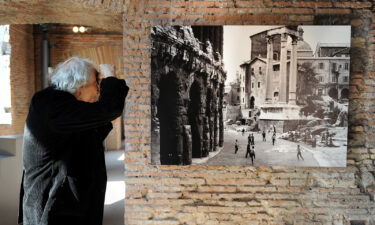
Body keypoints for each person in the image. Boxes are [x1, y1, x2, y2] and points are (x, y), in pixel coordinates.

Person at [18, 57, 129, 225]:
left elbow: (90, 136)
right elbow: (110, 109)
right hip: (53, 205)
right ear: (80, 85)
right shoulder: (50, 103)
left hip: (70, 203)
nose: (98, 91)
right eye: (96, 84)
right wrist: (110, 77)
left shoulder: (66, 107)